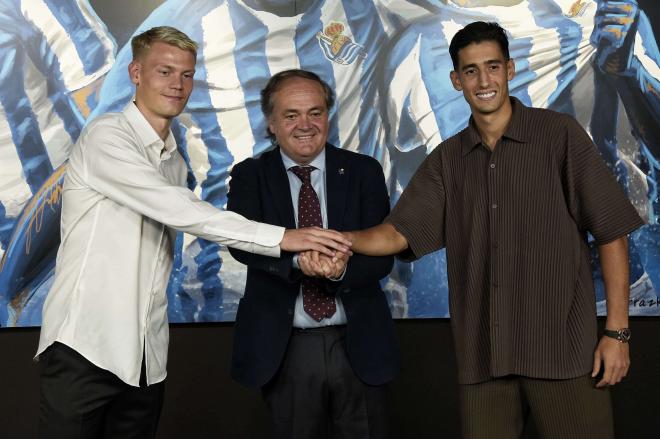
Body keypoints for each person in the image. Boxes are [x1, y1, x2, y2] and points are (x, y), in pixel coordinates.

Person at [35, 27, 350, 439]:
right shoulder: (106, 136)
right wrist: (285, 237)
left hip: (146, 358)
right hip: (82, 349)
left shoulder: (173, 162)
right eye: (165, 71)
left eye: (186, 75)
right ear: (135, 72)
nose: (177, 84)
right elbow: (182, 210)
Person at [346, 21, 644, 438]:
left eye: (492, 67)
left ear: (509, 69)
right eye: (470, 71)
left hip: (562, 352)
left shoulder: (559, 136)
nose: (483, 80)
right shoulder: (448, 159)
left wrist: (617, 332)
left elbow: (612, 231)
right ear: (456, 80)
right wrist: (341, 241)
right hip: (484, 358)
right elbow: (397, 233)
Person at [227, 69, 399, 439]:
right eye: (291, 115)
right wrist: (294, 260)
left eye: (315, 112)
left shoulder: (363, 171)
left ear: (328, 117)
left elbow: (383, 252)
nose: (305, 124)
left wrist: (338, 271)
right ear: (271, 123)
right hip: (284, 347)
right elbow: (240, 244)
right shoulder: (249, 175)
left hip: (359, 344)